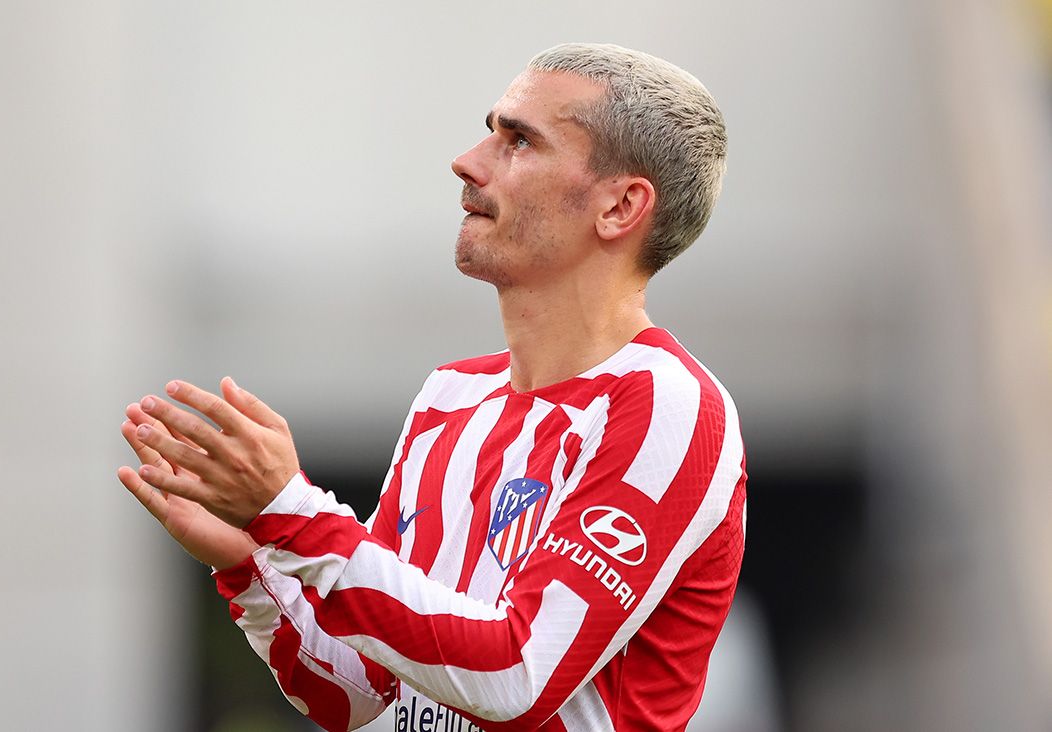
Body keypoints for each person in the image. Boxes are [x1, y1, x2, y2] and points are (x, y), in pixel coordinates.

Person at [116, 42, 745, 732]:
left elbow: (515, 675)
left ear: (621, 206)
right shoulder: (450, 396)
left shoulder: (669, 405)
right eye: (491, 131)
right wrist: (251, 566)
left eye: (519, 141)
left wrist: (293, 512)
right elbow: (359, 693)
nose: (468, 161)